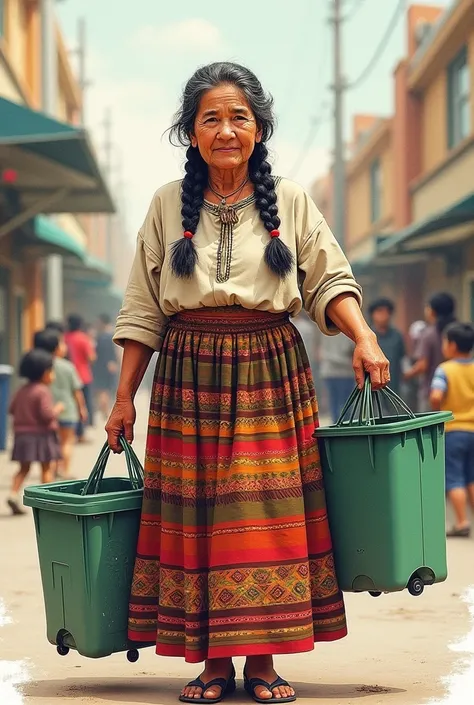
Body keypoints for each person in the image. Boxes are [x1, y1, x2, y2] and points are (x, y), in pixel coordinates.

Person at [105, 62, 389, 704]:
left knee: (263, 516)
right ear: (190, 131)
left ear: (259, 128)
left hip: (268, 372)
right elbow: (143, 308)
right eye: (211, 118)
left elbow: (327, 279)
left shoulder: (289, 201)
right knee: (198, 518)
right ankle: (210, 664)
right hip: (186, 377)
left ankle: (261, 661)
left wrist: (364, 337)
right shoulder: (162, 205)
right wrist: (124, 397)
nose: (226, 130)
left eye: (239, 118)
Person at [430, 323, 474, 538]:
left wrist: (436, 411)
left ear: (453, 345)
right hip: (473, 429)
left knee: (454, 477)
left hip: (454, 429)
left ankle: (462, 522)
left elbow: (437, 395)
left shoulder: (445, 369)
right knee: (471, 477)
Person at [7, 349, 63, 515]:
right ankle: (48, 499)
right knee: (46, 467)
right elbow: (47, 416)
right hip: (41, 436)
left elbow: (11, 409)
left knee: (24, 468)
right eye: (51, 371)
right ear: (44, 373)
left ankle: (12, 494)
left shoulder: (22, 390)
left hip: (22, 436)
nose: (53, 375)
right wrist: (58, 409)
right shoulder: (42, 391)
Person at [34, 328, 87, 479]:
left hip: (47, 411)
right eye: (62, 343)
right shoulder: (67, 366)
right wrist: (82, 408)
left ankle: (51, 470)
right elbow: (76, 391)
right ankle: (64, 470)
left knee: (52, 443)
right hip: (68, 411)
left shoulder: (39, 366)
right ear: (56, 347)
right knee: (66, 443)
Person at [405, 292, 456, 411]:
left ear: (432, 311)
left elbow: (423, 365)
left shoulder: (429, 334)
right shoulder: (459, 331)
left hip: (431, 393)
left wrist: (406, 375)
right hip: (456, 393)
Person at [65, 314, 96, 441]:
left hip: (67, 376)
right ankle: (81, 433)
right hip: (83, 376)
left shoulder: (64, 338)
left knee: (71, 404)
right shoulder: (83, 338)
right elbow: (91, 357)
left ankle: (71, 431)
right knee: (83, 404)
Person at [369, 298, 406, 396]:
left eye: (387, 312)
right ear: (373, 314)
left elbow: (403, 358)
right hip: (372, 385)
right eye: (380, 312)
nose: (383, 316)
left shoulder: (397, 336)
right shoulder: (367, 336)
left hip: (394, 384)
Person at [319, 333, 355, 423]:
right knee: (340, 403)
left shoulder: (324, 330)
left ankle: (338, 427)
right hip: (339, 371)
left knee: (340, 403)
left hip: (340, 372)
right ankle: (342, 427)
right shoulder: (349, 330)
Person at [94, 314, 119, 420]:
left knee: (103, 390)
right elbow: (116, 351)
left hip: (102, 366)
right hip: (110, 365)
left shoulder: (102, 337)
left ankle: (105, 411)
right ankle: (106, 410)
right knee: (107, 390)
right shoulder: (113, 335)